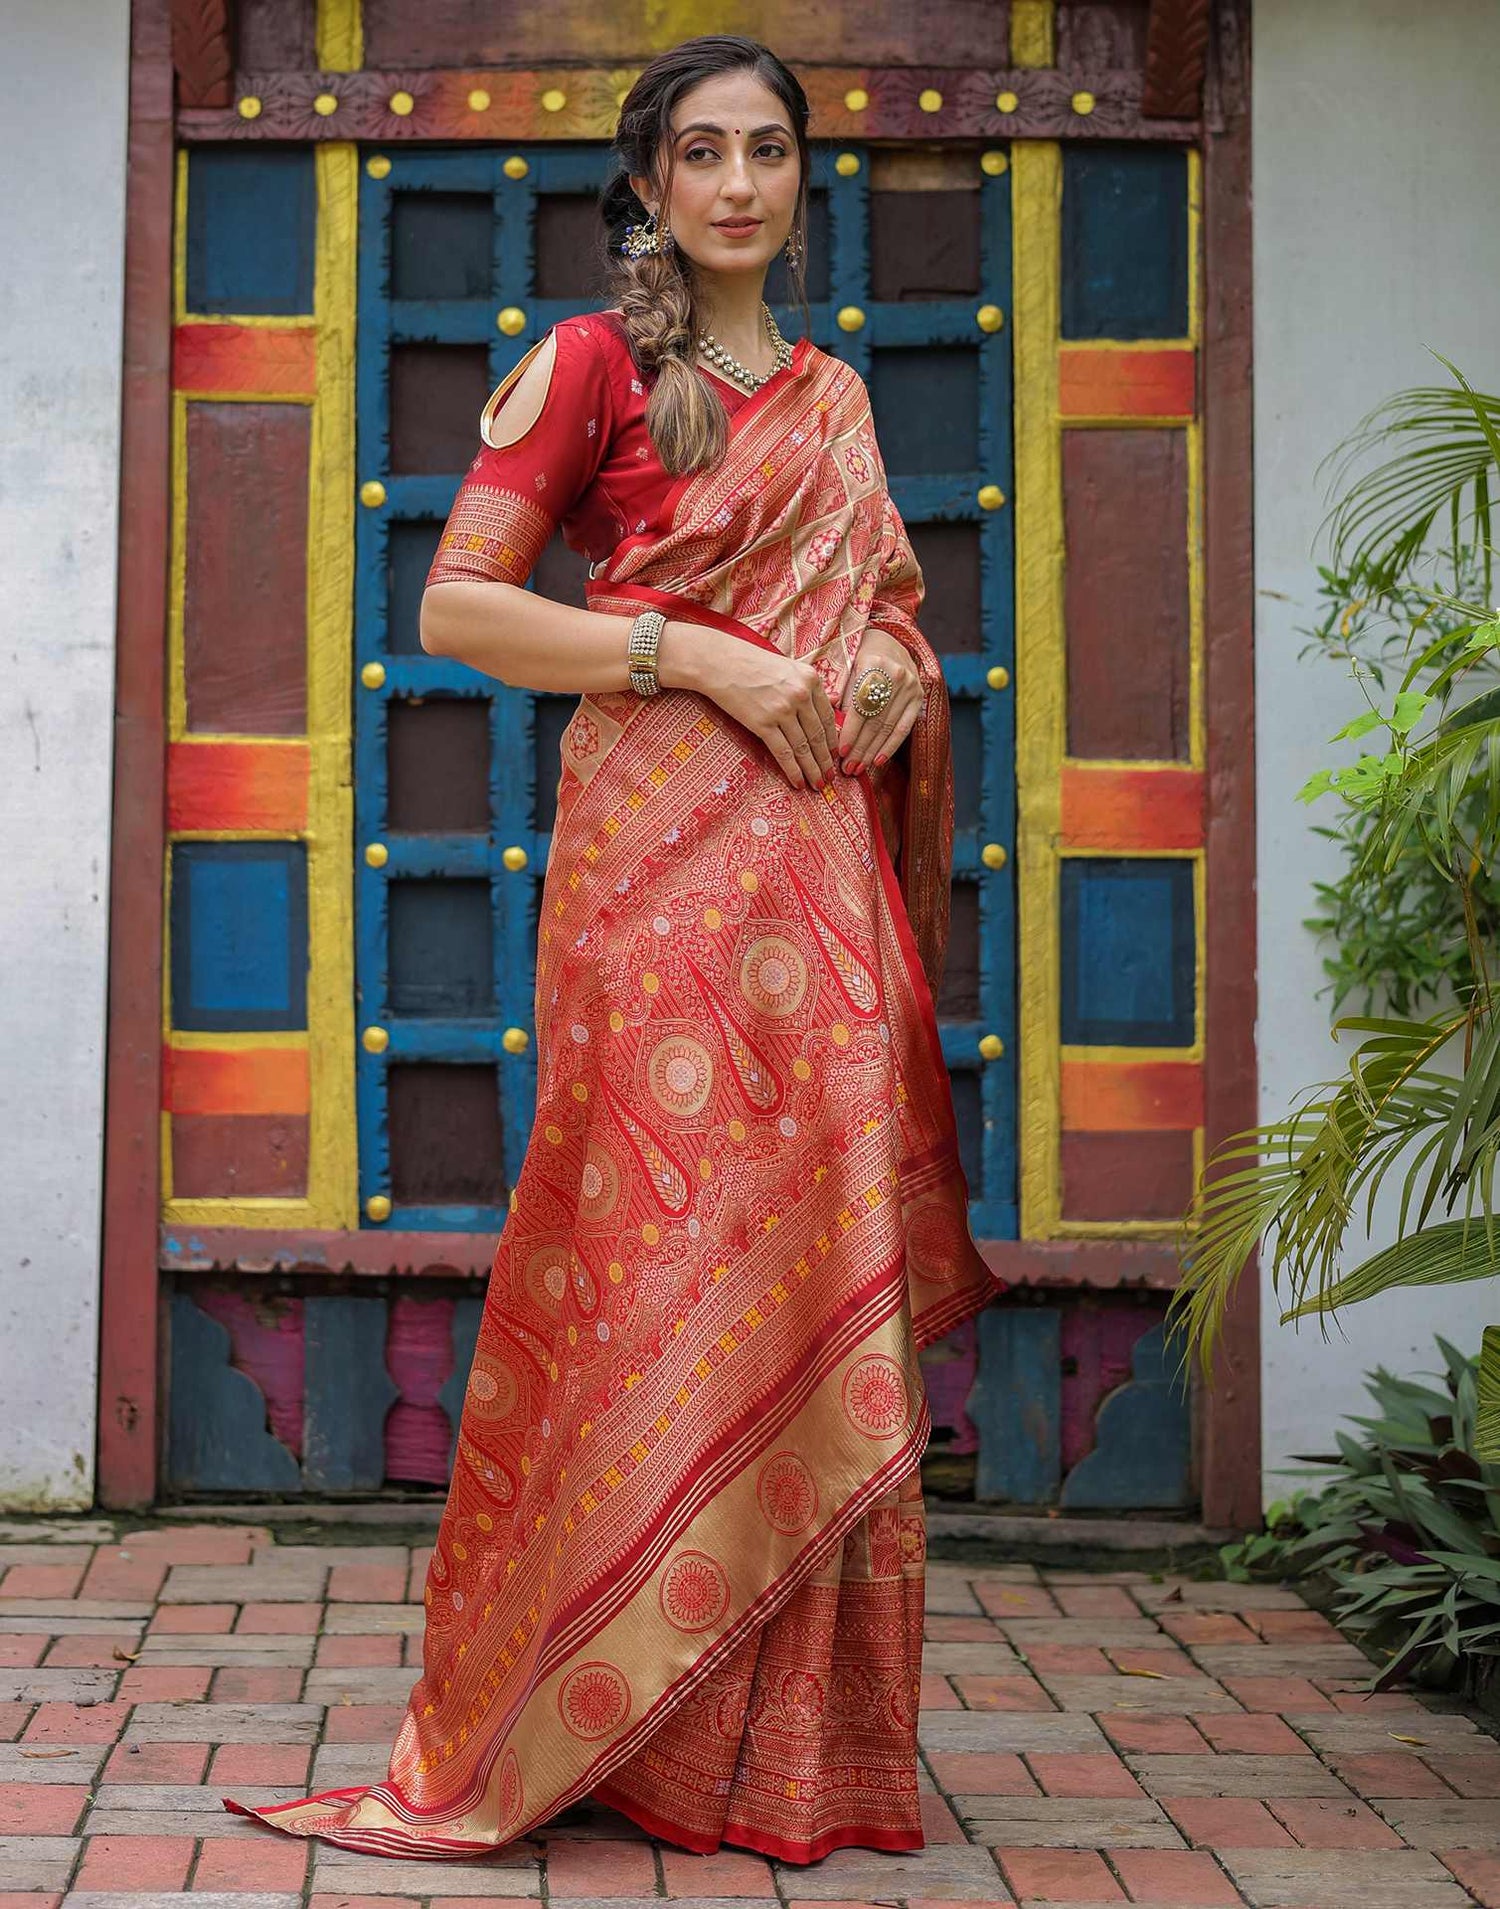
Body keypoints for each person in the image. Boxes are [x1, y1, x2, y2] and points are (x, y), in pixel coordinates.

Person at [223, 30, 1005, 1867]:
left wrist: (890, 674)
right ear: (649, 184)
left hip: (812, 905)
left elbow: (889, 620)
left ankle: (766, 1749)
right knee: (656, 1272)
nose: (741, 182)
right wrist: (705, 656)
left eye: (771, 152)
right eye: (704, 153)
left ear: (802, 182)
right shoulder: (589, 370)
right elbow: (464, 604)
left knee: (804, 1260)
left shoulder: (834, 396)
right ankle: (604, 1718)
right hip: (657, 895)